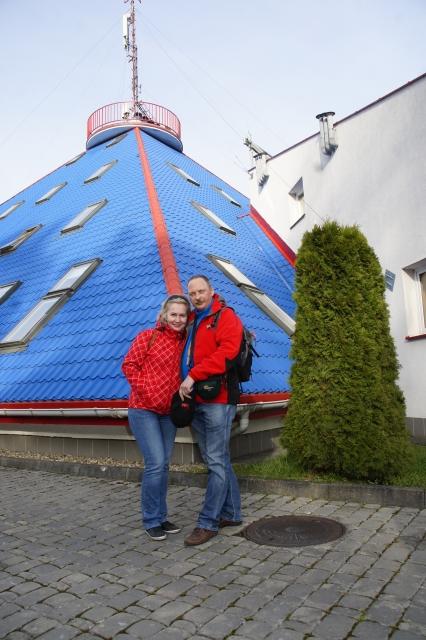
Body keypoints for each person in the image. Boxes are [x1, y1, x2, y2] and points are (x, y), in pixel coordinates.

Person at [179, 275, 243, 546]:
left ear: (211, 291)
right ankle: (231, 512)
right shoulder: (194, 320)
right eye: (192, 293)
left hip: (219, 400)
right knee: (217, 459)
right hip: (198, 401)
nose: (196, 297)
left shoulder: (225, 316)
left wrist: (193, 375)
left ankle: (208, 522)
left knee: (215, 460)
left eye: (201, 291)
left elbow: (228, 353)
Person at [122, 294, 190, 541]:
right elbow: (129, 366)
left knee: (163, 465)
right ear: (165, 315)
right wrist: (148, 393)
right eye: (173, 314)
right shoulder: (147, 337)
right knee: (155, 463)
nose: (178, 319)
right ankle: (151, 519)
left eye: (182, 315)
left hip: (168, 414)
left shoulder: (185, 343)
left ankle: (161, 516)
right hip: (143, 410)